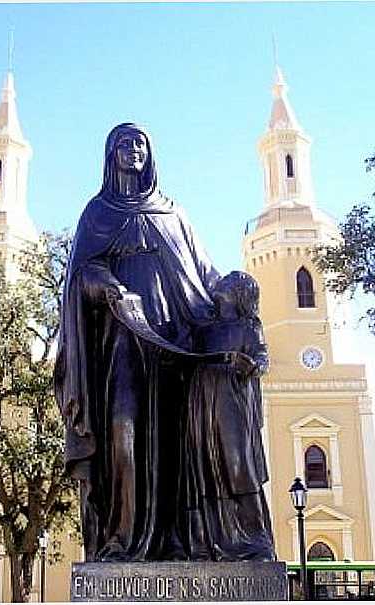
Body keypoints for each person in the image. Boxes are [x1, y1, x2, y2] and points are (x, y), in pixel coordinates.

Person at [54, 123, 221, 561]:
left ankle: (179, 539)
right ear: (110, 155)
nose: (134, 149)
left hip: (173, 341)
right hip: (122, 341)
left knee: (176, 440)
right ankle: (123, 537)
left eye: (141, 143)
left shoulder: (173, 213)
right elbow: (80, 275)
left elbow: (206, 275)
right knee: (121, 432)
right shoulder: (98, 213)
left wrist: (234, 298)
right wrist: (104, 283)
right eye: (125, 143)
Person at [183, 271, 276, 561]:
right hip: (202, 401)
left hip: (232, 401)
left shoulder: (249, 327)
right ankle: (206, 542)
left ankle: (254, 537)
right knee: (204, 467)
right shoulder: (204, 330)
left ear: (240, 293)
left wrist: (250, 365)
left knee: (237, 465)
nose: (222, 280)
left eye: (231, 279)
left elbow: (262, 359)